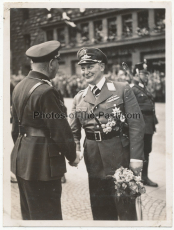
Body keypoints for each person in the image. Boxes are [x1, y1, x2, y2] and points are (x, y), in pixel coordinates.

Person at [70, 47, 145, 220]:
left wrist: (136, 158)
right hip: (94, 161)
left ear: (102, 66)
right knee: (101, 211)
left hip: (119, 158)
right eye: (83, 67)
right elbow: (73, 130)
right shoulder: (79, 98)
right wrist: (75, 149)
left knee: (126, 211)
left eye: (90, 66)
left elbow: (136, 124)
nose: (85, 71)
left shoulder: (121, 89)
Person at [11, 40, 80, 220]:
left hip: (22, 158)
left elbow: (15, 129)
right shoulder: (46, 91)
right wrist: (72, 156)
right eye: (57, 61)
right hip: (42, 163)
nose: (58, 66)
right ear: (51, 63)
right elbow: (60, 130)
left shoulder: (19, 86)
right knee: (48, 216)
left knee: (30, 215)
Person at [130, 61, 158, 187]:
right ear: (137, 74)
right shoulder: (133, 89)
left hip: (149, 126)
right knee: (138, 152)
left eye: (147, 74)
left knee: (147, 151)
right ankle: (134, 177)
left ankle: (144, 177)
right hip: (140, 126)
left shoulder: (145, 88)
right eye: (144, 74)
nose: (147, 76)